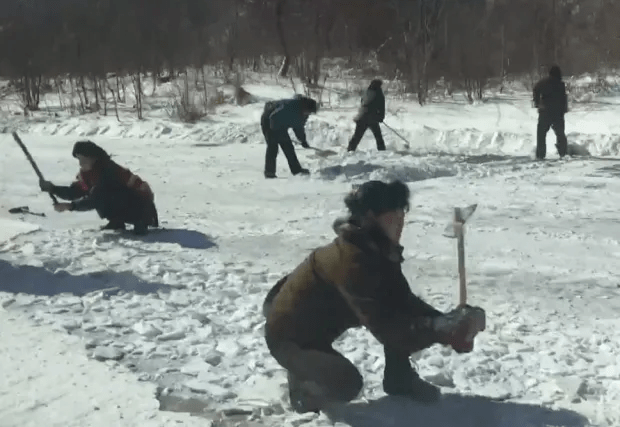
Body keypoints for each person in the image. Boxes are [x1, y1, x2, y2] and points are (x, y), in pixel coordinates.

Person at [262, 180, 486, 413]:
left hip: (316, 324)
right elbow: (387, 327)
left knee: (398, 311)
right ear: (370, 217)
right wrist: (441, 329)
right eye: (393, 217)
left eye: (403, 216)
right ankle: (304, 387)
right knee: (345, 384)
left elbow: (401, 301)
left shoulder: (376, 248)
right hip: (287, 335)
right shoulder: (352, 260)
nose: (400, 224)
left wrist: (449, 322)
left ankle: (399, 379)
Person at [39, 140, 158, 235]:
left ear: (93, 157)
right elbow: (75, 192)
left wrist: (71, 206)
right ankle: (117, 221)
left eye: (83, 159)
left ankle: (139, 221)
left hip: (143, 208)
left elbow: (95, 200)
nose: (80, 163)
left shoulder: (108, 171)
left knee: (106, 195)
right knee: (104, 196)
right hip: (123, 205)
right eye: (79, 159)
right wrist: (53, 189)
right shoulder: (88, 174)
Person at [261, 94, 317, 179]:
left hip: (279, 125)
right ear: (305, 107)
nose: (308, 114)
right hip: (268, 121)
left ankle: (296, 170)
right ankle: (269, 172)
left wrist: (303, 140)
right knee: (273, 147)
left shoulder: (302, 114)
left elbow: (298, 127)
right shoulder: (289, 106)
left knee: (289, 148)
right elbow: (273, 117)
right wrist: (276, 133)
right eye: (308, 111)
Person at [533, 65, 569, 160]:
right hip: (557, 113)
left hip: (545, 112)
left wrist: (537, 103)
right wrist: (564, 109)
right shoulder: (560, 84)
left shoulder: (543, 82)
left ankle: (540, 155)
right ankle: (563, 153)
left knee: (541, 134)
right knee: (560, 134)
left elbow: (536, 89)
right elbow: (564, 98)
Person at [347, 79, 386, 152]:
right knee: (378, 136)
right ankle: (382, 151)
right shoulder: (379, 93)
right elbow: (381, 106)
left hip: (362, 116)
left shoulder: (367, 91)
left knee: (357, 136)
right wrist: (381, 117)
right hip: (371, 118)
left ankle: (350, 149)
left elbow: (362, 102)